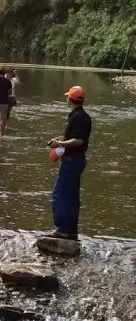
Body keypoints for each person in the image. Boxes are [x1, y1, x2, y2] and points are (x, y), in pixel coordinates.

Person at [48, 86, 92, 239]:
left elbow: (79, 140)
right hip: (76, 159)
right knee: (72, 197)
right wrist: (62, 140)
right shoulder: (81, 115)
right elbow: (77, 138)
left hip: (72, 160)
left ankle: (63, 229)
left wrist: (60, 144)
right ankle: (71, 231)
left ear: (69, 99)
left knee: (61, 195)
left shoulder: (78, 117)